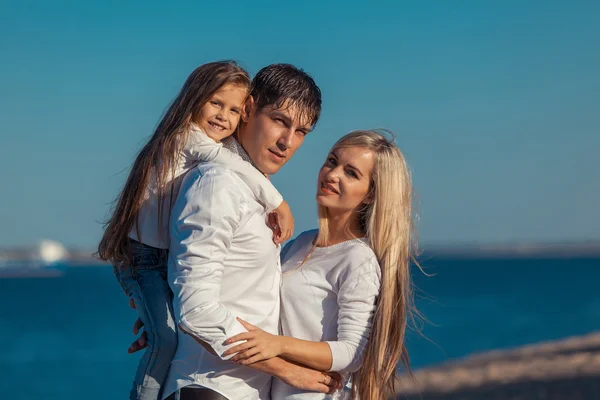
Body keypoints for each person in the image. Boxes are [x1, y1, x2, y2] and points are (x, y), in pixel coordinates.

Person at [97, 60, 294, 400]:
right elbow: (229, 162)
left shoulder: (200, 151)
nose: (223, 116)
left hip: (157, 260)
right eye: (215, 103)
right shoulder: (188, 139)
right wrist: (278, 202)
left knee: (166, 334)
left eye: (233, 110)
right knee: (165, 340)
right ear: (194, 99)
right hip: (146, 261)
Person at [161, 63, 342, 400]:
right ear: (247, 110)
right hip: (208, 387)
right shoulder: (217, 185)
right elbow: (196, 309)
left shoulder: (253, 192)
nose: (287, 142)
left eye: (301, 131)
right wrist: (285, 369)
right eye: (280, 121)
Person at [222, 130, 420, 400]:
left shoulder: (357, 259)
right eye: (331, 161)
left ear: (371, 194)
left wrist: (277, 345)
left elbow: (352, 353)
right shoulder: (301, 243)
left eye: (351, 173)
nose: (332, 174)